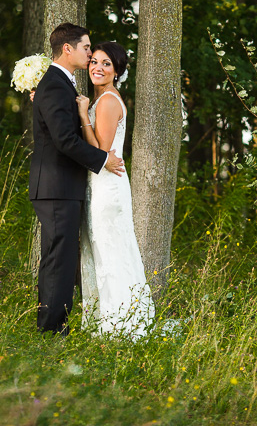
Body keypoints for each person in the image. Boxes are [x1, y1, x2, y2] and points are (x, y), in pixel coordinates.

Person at [29, 23, 125, 336]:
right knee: (60, 258)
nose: (90, 54)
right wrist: (102, 159)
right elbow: (64, 140)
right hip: (57, 186)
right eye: (86, 48)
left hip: (61, 186)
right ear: (67, 49)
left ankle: (50, 323)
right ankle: (53, 329)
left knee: (58, 256)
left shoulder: (60, 84)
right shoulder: (56, 84)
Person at [76, 41, 155, 337]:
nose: (98, 67)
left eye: (106, 63)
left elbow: (101, 151)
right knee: (103, 252)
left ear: (117, 71)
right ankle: (108, 321)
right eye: (94, 61)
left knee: (111, 253)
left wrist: (83, 113)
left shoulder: (108, 101)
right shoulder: (102, 98)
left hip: (107, 188)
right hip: (100, 184)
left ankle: (122, 325)